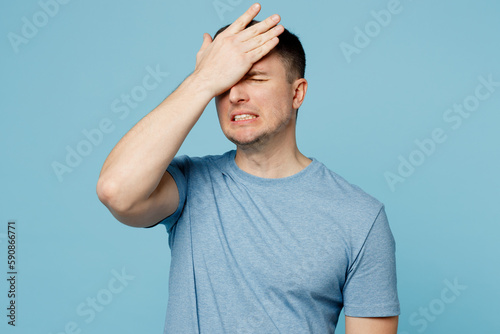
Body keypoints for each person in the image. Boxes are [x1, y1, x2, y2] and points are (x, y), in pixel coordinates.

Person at [96, 3, 400, 333]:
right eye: (225, 83)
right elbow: (117, 191)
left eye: (254, 78)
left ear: (297, 93)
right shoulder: (188, 186)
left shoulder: (359, 217)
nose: (236, 95)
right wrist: (202, 80)